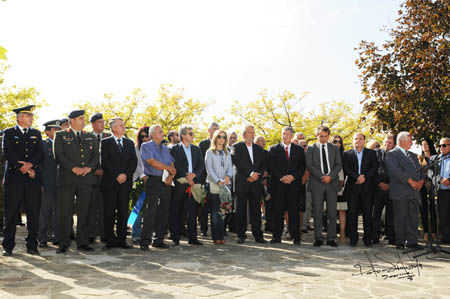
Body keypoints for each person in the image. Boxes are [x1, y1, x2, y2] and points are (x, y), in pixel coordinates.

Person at [53, 110, 100, 253]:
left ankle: (83, 242)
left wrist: (89, 168)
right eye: (80, 119)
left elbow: (96, 156)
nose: (83, 121)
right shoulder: (61, 135)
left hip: (86, 179)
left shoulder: (90, 136)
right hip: (68, 178)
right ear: (71, 120)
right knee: (65, 212)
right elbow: (59, 155)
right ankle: (64, 243)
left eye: (84, 119)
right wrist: (73, 168)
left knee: (84, 212)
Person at [2, 105, 44, 256]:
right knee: (11, 213)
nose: (31, 118)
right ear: (19, 118)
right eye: (28, 116)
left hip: (32, 178)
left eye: (31, 115)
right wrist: (22, 167)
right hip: (14, 179)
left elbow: (41, 153)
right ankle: (8, 245)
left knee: (33, 213)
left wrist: (30, 165)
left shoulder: (36, 133)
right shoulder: (9, 133)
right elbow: (8, 151)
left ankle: (32, 245)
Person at [101, 118, 137, 250]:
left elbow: (133, 162)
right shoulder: (105, 142)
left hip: (125, 183)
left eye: (124, 125)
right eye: (121, 125)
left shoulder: (129, 143)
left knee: (123, 211)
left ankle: (122, 239)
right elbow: (105, 162)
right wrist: (116, 175)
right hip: (110, 183)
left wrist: (125, 175)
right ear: (113, 128)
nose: (124, 127)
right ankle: (110, 240)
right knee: (109, 212)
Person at [385, 132, 424, 249]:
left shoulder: (413, 155)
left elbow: (421, 169)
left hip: (414, 191)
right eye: (410, 140)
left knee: (413, 217)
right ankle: (400, 242)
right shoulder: (391, 154)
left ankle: (412, 242)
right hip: (401, 192)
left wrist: (421, 181)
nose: (412, 143)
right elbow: (397, 171)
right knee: (400, 217)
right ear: (402, 141)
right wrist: (411, 182)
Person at [267, 127, 306, 245]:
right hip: (278, 185)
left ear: (292, 135)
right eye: (284, 134)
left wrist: (293, 176)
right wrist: (282, 177)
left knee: (293, 212)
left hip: (294, 185)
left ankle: (296, 237)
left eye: (288, 134)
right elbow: (271, 166)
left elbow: (302, 166)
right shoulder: (273, 149)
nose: (285, 136)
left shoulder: (299, 150)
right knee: (277, 212)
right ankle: (276, 237)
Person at [140, 125, 176, 250]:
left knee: (164, 211)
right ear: (153, 134)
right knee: (151, 211)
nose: (163, 133)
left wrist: (171, 175)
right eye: (160, 131)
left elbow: (172, 163)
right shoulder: (146, 146)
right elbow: (152, 162)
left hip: (166, 182)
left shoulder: (165, 148)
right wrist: (168, 169)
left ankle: (159, 240)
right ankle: (145, 241)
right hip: (154, 181)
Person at [306, 126, 342, 247]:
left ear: (328, 136)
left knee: (332, 212)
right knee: (317, 211)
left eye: (325, 136)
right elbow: (310, 166)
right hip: (317, 182)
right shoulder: (311, 148)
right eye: (321, 136)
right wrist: (322, 176)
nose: (323, 138)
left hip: (331, 183)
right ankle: (318, 238)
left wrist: (329, 176)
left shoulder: (334, 148)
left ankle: (331, 238)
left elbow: (338, 165)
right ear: (317, 136)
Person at [231, 124, 267, 244]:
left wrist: (256, 175)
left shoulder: (258, 149)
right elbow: (238, 161)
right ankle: (241, 235)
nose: (252, 135)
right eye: (250, 133)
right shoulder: (236, 147)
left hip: (255, 183)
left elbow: (263, 164)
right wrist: (250, 174)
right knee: (240, 210)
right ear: (244, 134)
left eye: (253, 133)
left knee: (256, 210)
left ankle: (258, 235)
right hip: (242, 182)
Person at [170, 125, 204, 246]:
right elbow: (175, 164)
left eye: (193, 133)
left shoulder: (197, 149)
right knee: (177, 210)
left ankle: (193, 237)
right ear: (183, 135)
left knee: (192, 211)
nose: (193, 135)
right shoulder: (174, 149)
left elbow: (201, 165)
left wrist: (194, 175)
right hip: (180, 183)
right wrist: (186, 175)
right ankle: (175, 237)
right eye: (190, 133)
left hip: (193, 183)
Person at [342, 132, 378, 247]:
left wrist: (364, 177)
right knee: (352, 215)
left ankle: (368, 239)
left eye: (360, 139)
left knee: (367, 214)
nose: (358, 141)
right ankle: (353, 238)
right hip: (352, 188)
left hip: (367, 188)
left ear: (364, 141)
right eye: (356, 139)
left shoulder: (371, 153)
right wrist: (357, 177)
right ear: (353, 141)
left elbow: (374, 167)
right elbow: (346, 168)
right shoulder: (346, 154)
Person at [205, 130, 233, 244]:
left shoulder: (227, 152)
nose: (222, 139)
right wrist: (217, 180)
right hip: (214, 185)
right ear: (215, 138)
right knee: (215, 211)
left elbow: (230, 167)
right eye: (219, 137)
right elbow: (209, 169)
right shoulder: (210, 152)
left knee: (223, 211)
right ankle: (216, 236)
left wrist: (228, 176)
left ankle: (221, 235)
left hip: (225, 185)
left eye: (224, 137)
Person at [88, 113, 111, 244]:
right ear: (93, 124)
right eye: (99, 122)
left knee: (105, 207)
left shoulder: (109, 137)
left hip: (107, 178)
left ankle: (104, 233)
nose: (102, 124)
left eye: (103, 122)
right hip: (91, 178)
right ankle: (91, 233)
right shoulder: (87, 137)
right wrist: (93, 170)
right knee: (91, 207)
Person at [38, 120, 61, 248]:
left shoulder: (63, 144)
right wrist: (40, 183)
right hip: (46, 184)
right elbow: (39, 165)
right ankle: (42, 238)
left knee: (59, 212)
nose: (58, 132)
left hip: (61, 184)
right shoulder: (42, 145)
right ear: (47, 132)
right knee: (44, 212)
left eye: (59, 129)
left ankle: (57, 237)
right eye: (54, 130)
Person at [371, 134, 396, 246]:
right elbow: (372, 170)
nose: (387, 144)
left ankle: (391, 237)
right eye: (385, 142)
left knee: (391, 214)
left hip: (391, 188)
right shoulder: (376, 153)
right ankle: (375, 237)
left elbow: (398, 172)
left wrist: (390, 185)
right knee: (375, 214)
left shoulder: (397, 156)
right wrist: (379, 183)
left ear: (394, 144)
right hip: (377, 188)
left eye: (389, 142)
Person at [198, 122, 220, 236]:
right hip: (205, 180)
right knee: (204, 206)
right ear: (209, 130)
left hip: (218, 181)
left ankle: (217, 230)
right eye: (214, 128)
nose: (216, 130)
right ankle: (203, 229)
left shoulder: (221, 145)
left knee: (216, 207)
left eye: (218, 129)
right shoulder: (203, 144)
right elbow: (200, 163)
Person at [430, 137, 450, 244]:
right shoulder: (435, 159)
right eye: (440, 145)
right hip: (442, 191)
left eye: (444, 145)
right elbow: (430, 173)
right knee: (443, 216)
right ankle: (446, 238)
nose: (441, 148)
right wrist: (440, 180)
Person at [131, 126, 150, 243]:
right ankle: (135, 233)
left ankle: (147, 234)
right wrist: (143, 176)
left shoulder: (155, 148)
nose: (145, 138)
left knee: (150, 209)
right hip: (138, 180)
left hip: (152, 180)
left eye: (147, 136)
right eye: (142, 136)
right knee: (136, 209)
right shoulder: (135, 148)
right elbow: (137, 165)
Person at [419, 138, 438, 241]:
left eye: (426, 144)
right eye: (422, 144)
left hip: (434, 186)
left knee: (433, 210)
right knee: (423, 209)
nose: (424, 146)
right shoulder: (420, 158)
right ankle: (426, 231)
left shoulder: (436, 157)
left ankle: (434, 232)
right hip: (422, 186)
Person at [331, 135, 347, 244]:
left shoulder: (345, 156)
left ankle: (342, 234)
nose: (337, 143)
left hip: (342, 186)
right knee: (330, 211)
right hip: (328, 186)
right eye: (335, 141)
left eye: (339, 141)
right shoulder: (326, 155)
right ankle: (331, 234)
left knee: (342, 210)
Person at [255, 135, 271, 232]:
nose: (263, 142)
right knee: (256, 205)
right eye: (260, 141)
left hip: (266, 182)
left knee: (268, 204)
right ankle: (257, 227)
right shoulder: (253, 152)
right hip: (256, 181)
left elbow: (270, 165)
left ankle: (268, 225)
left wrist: (267, 173)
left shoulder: (267, 153)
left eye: (264, 141)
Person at [299, 139, 312, 234]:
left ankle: (304, 226)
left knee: (307, 205)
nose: (304, 147)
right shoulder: (296, 155)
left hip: (308, 183)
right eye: (302, 146)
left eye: (305, 145)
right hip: (296, 184)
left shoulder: (310, 156)